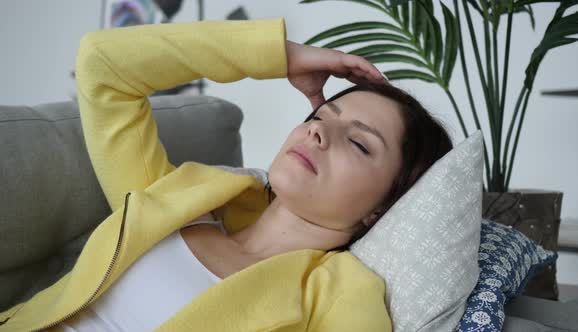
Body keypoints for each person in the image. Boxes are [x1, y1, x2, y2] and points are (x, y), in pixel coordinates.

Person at [0, 17, 452, 332]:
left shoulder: (341, 294)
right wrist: (281, 55)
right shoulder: (178, 198)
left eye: (358, 142)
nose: (317, 134)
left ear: (384, 207)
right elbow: (102, 65)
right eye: (319, 116)